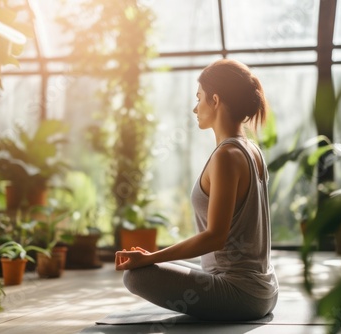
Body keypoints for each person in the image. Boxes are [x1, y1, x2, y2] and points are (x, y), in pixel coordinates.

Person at [115, 58, 278, 321]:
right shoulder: (251, 150)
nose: (195, 107)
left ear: (215, 100)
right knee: (157, 265)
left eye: (199, 97)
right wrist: (153, 257)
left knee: (136, 276)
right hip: (265, 289)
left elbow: (215, 237)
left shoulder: (227, 156)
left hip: (241, 294)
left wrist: (150, 258)